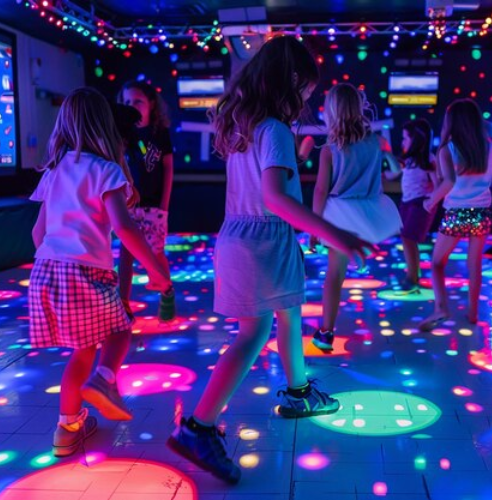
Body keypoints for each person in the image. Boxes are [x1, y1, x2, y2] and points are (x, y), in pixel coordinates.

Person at [167, 36, 373, 484]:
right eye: (306, 91)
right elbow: (275, 198)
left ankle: (299, 392)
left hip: (241, 237)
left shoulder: (245, 124)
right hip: (263, 240)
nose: (306, 101)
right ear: (292, 82)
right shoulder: (276, 130)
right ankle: (198, 427)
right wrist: (333, 231)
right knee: (255, 332)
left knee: (288, 316)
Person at [29, 88, 171, 457]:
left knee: (81, 350)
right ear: (105, 127)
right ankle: (104, 380)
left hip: (46, 271)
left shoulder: (55, 170)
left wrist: (55, 262)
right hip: (87, 271)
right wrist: (157, 270)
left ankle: (67, 427)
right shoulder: (106, 170)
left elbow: (37, 233)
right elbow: (125, 230)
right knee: (121, 329)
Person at [309, 83, 401, 350]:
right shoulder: (375, 143)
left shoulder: (329, 149)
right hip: (369, 212)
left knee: (333, 276)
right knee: (347, 266)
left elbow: (320, 191)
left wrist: (314, 230)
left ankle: (326, 332)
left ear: (332, 112)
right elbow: (391, 174)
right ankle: (358, 256)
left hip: (339, 216)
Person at [418, 99, 492, 331]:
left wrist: (430, 201)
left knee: (436, 263)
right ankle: (472, 314)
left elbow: (448, 181)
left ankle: (441, 307)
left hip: (456, 213)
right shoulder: (491, 147)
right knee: (475, 265)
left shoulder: (447, 149)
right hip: (481, 213)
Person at [117, 81, 175, 321]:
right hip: (129, 206)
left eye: (138, 101)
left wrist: (164, 205)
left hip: (153, 206)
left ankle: (166, 291)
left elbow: (168, 168)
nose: (133, 106)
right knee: (126, 255)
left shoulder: (159, 133)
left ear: (151, 104)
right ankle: (123, 306)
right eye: (128, 102)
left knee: (156, 251)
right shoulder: (123, 135)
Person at [387, 119, 438, 293]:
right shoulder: (408, 160)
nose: (402, 142)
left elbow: (438, 184)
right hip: (407, 202)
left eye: (405, 138)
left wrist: (430, 203)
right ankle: (414, 274)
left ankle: (412, 277)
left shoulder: (429, 159)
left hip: (421, 203)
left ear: (416, 139)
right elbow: (392, 174)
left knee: (409, 238)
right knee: (407, 239)